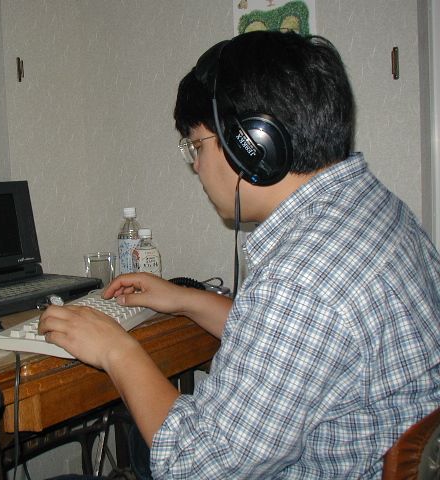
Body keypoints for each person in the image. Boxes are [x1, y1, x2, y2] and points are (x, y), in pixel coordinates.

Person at [41, 30, 440, 479]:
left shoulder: (300, 278)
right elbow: (301, 348)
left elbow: (193, 467)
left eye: (197, 145)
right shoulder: (370, 209)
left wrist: (116, 349)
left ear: (251, 145)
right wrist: (186, 300)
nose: (196, 165)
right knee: (138, 435)